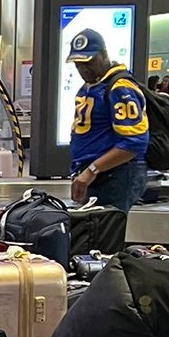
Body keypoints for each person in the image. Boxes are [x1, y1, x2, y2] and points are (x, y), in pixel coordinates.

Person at [64, 28, 150, 213]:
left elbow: (133, 144)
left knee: (106, 235)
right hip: (99, 175)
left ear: (103, 55)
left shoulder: (120, 88)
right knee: (95, 235)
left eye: (89, 61)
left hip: (115, 175)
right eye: (78, 63)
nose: (83, 68)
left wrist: (92, 170)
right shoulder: (91, 86)